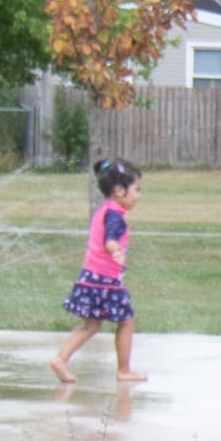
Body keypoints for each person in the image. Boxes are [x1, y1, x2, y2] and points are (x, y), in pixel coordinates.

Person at [49, 157, 139, 384]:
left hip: (89, 276)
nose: (139, 195)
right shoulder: (116, 216)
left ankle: (60, 359)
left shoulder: (104, 209)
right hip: (105, 280)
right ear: (119, 191)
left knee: (90, 325)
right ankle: (124, 370)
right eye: (137, 190)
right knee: (127, 320)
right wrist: (116, 251)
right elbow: (110, 240)